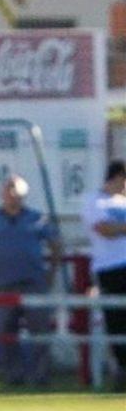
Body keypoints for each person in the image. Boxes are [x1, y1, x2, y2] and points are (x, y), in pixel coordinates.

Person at [0, 175, 62, 386]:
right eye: (9, 191)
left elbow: (56, 244)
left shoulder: (37, 218)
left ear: (24, 195)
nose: (12, 196)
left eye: (17, 192)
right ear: (2, 194)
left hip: (33, 282)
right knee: (5, 332)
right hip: (3, 284)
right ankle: (13, 377)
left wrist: (52, 272)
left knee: (40, 331)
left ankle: (41, 377)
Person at [81, 159, 126, 391]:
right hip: (110, 269)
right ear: (117, 177)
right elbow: (103, 229)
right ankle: (122, 368)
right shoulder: (94, 201)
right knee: (116, 320)